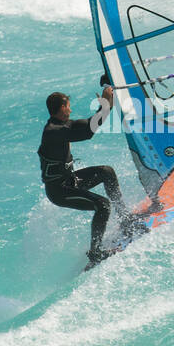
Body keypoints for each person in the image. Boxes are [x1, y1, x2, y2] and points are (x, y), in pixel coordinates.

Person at [37, 81, 141, 265]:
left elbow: (86, 124)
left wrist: (104, 107)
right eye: (68, 106)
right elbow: (87, 132)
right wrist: (106, 107)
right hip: (59, 191)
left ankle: (125, 219)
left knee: (106, 172)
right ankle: (96, 252)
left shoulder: (62, 125)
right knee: (102, 205)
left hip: (70, 181)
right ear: (62, 107)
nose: (70, 110)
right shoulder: (53, 131)